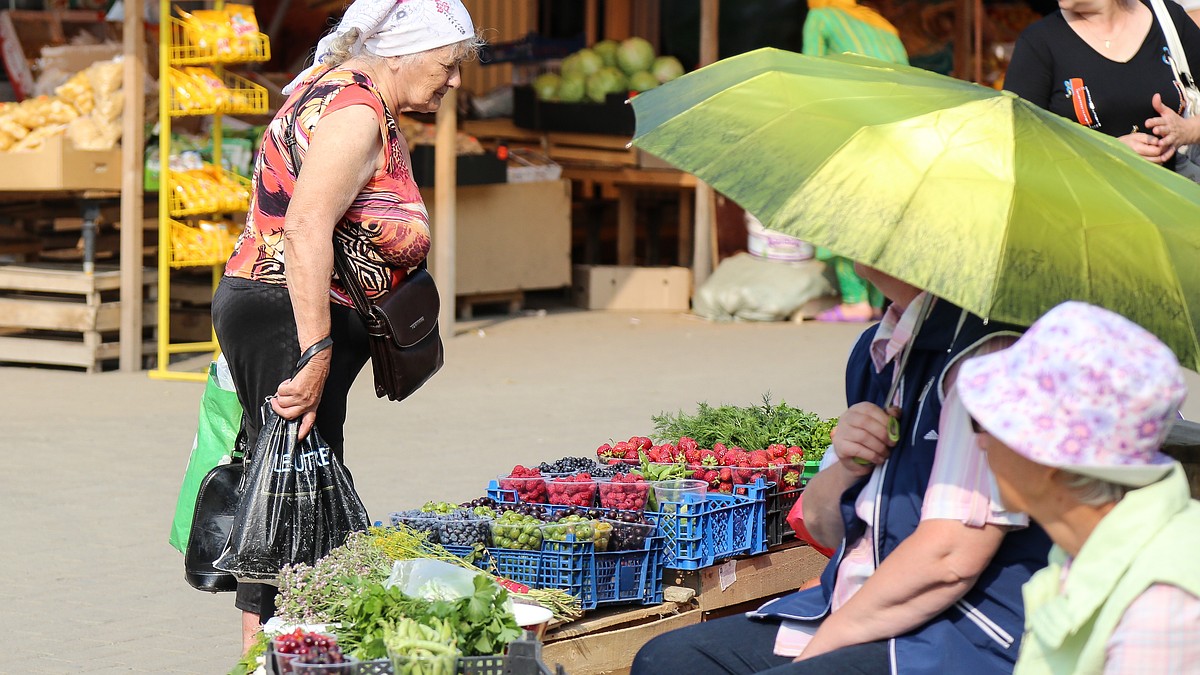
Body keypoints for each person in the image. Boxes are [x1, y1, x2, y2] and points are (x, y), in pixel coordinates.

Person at [210, 0, 480, 651]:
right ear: (402, 51)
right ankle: (272, 658)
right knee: (293, 505)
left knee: (285, 491)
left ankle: (274, 655)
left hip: (274, 310)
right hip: (287, 317)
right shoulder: (356, 113)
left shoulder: (333, 84)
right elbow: (305, 227)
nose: (455, 81)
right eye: (447, 64)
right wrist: (318, 349)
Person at [631, 265, 1052, 674]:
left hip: (958, 635)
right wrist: (849, 466)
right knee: (668, 660)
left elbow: (949, 560)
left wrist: (823, 646)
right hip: (856, 605)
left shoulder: (986, 360)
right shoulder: (881, 350)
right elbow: (822, 526)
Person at [958, 301, 1200, 674]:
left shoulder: (1162, 603)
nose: (980, 442)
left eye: (985, 423)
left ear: (1047, 461)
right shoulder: (1088, 548)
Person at [1004, 0, 1200, 173]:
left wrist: (1187, 130)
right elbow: (1018, 143)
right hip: (1086, 209)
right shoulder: (1038, 42)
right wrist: (1108, 152)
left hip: (1173, 206)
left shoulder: (1167, 20)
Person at [802, 0, 907, 323]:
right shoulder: (883, 25)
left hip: (849, 125)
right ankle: (879, 300)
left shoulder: (820, 17)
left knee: (842, 211)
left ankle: (855, 301)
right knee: (880, 213)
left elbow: (808, 74)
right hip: (897, 128)